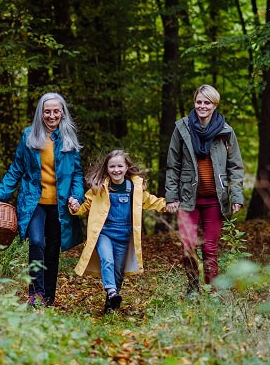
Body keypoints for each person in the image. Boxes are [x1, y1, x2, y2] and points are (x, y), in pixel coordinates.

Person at [0, 92, 85, 308]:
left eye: (56, 111)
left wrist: (76, 196)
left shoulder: (69, 138)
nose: (52, 115)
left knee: (52, 251)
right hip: (34, 203)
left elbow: (77, 174)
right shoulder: (29, 136)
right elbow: (16, 169)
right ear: (40, 113)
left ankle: (48, 298)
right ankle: (36, 294)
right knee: (36, 242)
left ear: (62, 113)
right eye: (47, 111)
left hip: (60, 206)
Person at [70, 149, 175, 314]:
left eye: (120, 166)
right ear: (107, 168)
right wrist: (75, 207)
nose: (116, 170)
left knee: (118, 271)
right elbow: (85, 206)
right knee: (107, 261)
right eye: (112, 166)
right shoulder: (99, 188)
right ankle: (111, 291)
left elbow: (150, 201)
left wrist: (167, 204)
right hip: (104, 232)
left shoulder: (133, 188)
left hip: (124, 235)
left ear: (126, 168)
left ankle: (110, 304)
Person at [165, 84, 244, 298]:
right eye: (199, 102)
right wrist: (171, 196)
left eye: (207, 102)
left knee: (210, 248)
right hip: (188, 199)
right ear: (194, 103)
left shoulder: (226, 132)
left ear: (214, 105)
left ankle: (213, 292)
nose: (202, 106)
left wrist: (236, 196)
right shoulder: (182, 129)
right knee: (188, 247)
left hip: (215, 201)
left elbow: (235, 167)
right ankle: (192, 288)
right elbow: (173, 165)